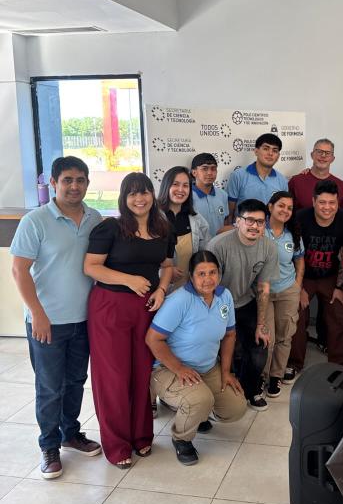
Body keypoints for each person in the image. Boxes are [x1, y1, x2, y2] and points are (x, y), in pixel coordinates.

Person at [10, 156, 103, 479]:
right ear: (53, 183)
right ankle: (49, 445)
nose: (74, 186)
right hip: (46, 321)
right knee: (50, 387)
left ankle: (70, 434)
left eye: (80, 180)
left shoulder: (94, 218)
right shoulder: (35, 221)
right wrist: (37, 313)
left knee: (76, 381)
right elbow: (19, 270)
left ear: (87, 183)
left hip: (84, 319)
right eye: (67, 180)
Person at [84, 172, 175, 468]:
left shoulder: (162, 228)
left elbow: (168, 265)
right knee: (113, 377)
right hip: (110, 307)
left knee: (141, 372)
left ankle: (141, 435)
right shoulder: (110, 228)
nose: (139, 198)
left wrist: (161, 290)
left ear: (152, 195)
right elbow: (91, 267)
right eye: (132, 193)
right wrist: (128, 280)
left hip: (146, 308)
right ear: (124, 198)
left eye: (144, 192)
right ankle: (117, 444)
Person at [145, 251, 246, 465]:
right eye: (201, 274)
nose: (208, 279)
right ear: (191, 276)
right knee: (200, 399)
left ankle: (198, 414)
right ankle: (181, 439)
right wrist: (179, 368)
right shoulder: (179, 300)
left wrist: (226, 372)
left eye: (212, 272)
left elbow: (230, 335)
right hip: (169, 369)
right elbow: (153, 339)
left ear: (219, 274)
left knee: (235, 407)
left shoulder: (224, 296)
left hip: (207, 368)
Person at [207, 199, 279, 410]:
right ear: (238, 221)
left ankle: (250, 389)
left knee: (260, 347)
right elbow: (208, 287)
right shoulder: (218, 246)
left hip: (246, 302)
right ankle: (218, 395)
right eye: (249, 220)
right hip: (217, 304)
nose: (255, 226)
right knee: (222, 350)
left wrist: (260, 325)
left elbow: (263, 287)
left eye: (260, 222)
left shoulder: (269, 247)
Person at [288, 181, 343, 375]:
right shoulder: (300, 218)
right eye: (322, 202)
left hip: (331, 276)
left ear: (338, 203)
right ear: (313, 202)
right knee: (295, 311)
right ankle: (293, 363)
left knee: (339, 313)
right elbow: (291, 256)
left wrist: (340, 287)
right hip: (303, 275)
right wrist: (298, 288)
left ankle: (339, 365)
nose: (327, 207)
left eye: (332, 203)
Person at [264, 191, 304, 396]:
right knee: (267, 338)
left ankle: (275, 376)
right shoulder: (259, 229)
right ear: (270, 207)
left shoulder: (293, 234)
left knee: (285, 335)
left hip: (287, 290)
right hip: (263, 293)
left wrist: (297, 285)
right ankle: (262, 376)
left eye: (289, 208)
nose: (285, 211)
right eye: (281, 206)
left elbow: (299, 260)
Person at [158, 165, 210, 289]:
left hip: (189, 288)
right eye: (175, 184)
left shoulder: (197, 220)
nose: (181, 190)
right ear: (166, 186)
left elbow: (203, 254)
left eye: (186, 185)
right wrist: (163, 271)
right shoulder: (152, 218)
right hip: (158, 289)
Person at [227, 133, 288, 222]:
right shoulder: (238, 176)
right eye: (266, 148)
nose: (270, 153)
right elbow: (229, 214)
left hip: (271, 230)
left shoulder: (282, 181)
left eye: (275, 150)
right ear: (256, 151)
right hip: (244, 229)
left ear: (278, 156)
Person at [288, 138, 343, 210]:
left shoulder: (342, 186)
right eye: (319, 151)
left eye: (327, 153)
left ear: (332, 159)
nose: (323, 155)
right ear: (312, 155)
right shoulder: (296, 182)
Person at [190, 153, 230, 237]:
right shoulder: (187, 196)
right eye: (204, 169)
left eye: (213, 169)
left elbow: (225, 221)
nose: (209, 173)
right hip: (196, 245)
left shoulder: (223, 195)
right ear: (194, 172)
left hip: (219, 243)